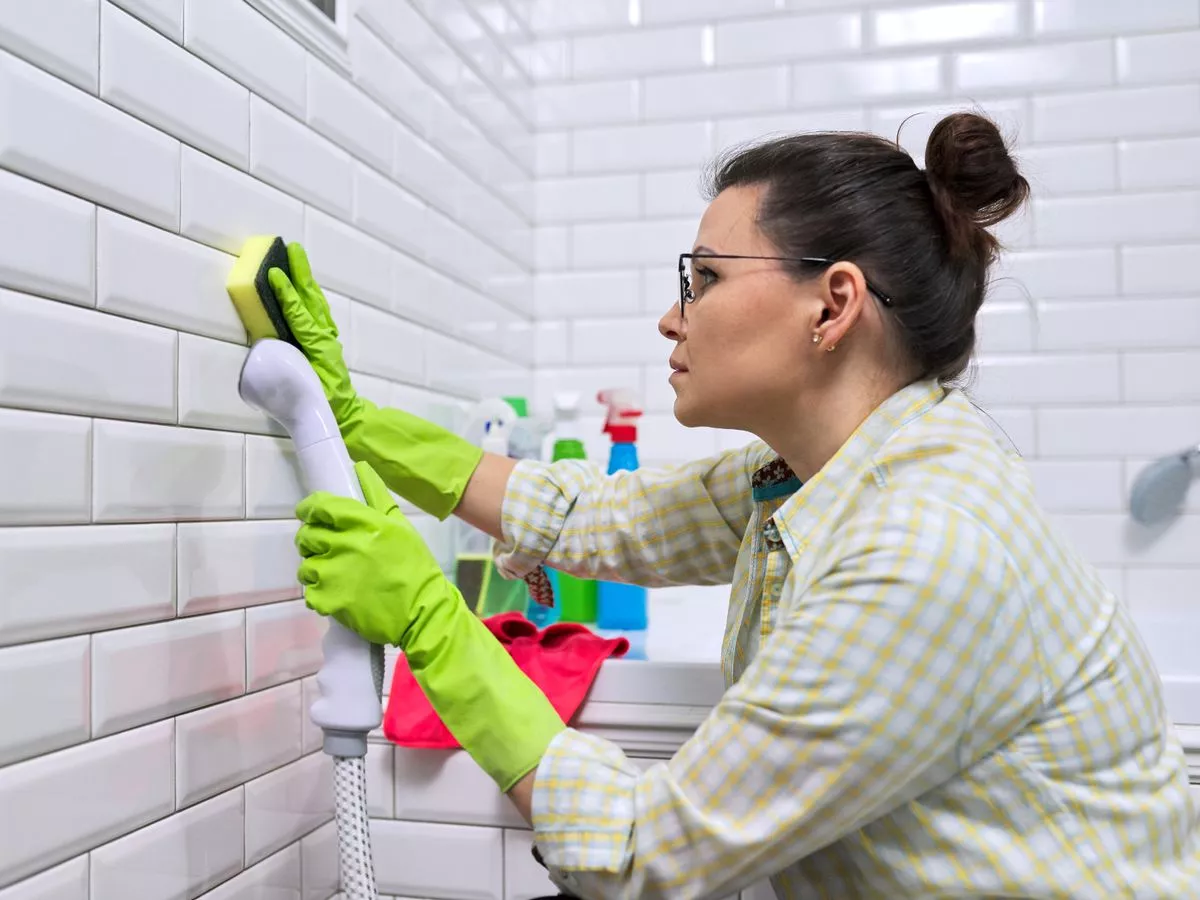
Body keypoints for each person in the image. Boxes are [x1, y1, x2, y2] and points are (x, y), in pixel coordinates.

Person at [269, 111, 1200, 899]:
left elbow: (638, 856)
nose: (674, 318)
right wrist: (356, 423)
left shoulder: (923, 546)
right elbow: (592, 518)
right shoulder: (810, 472)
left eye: (705, 279)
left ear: (832, 307)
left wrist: (431, 622)